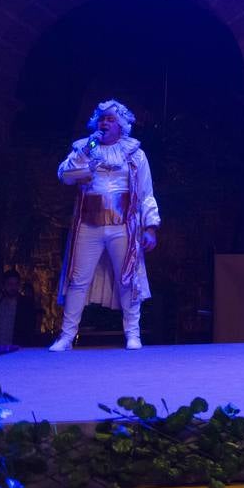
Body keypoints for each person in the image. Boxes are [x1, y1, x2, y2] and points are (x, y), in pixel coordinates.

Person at [50, 99, 159, 352]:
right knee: (78, 279)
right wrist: (86, 150)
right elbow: (65, 176)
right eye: (102, 119)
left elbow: (145, 192)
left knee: (128, 278)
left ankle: (132, 333)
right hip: (89, 224)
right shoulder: (84, 148)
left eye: (110, 119)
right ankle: (67, 336)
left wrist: (150, 227)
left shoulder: (135, 154)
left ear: (120, 125)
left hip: (122, 225)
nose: (105, 123)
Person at [0, 269, 40, 348]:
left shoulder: (25, 305)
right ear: (3, 285)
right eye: (10, 284)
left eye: (16, 284)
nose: (13, 288)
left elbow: (28, 330)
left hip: (15, 350)